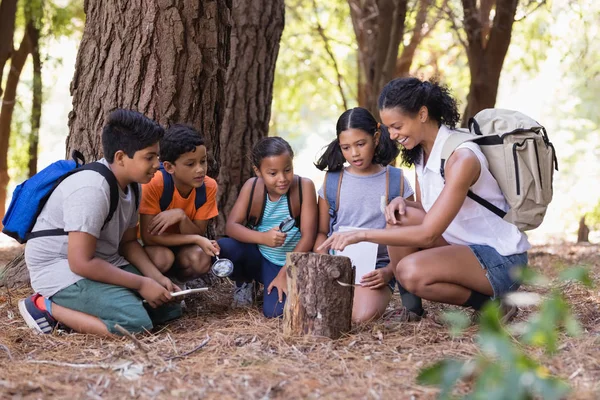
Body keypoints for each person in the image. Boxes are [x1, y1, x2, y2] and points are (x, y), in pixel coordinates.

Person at [318, 78, 529, 321]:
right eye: (388, 128)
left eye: (397, 126)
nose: (392, 135)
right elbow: (430, 209)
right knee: (399, 216)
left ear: (422, 114)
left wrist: (361, 234)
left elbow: (428, 233)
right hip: (465, 248)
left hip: (500, 260)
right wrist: (404, 204)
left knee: (409, 271)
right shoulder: (422, 153)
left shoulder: (462, 159)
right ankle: (412, 310)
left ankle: (491, 307)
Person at [19, 109, 182, 336]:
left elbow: (128, 244)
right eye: (149, 157)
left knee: (169, 307)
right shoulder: (92, 189)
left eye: (157, 156)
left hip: (101, 260)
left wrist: (157, 278)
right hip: (62, 269)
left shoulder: (133, 186)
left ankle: (99, 306)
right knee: (135, 324)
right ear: (121, 157)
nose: (158, 164)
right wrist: (142, 284)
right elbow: (80, 263)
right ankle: (44, 306)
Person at [313, 107, 418, 323]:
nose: (354, 153)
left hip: (378, 268)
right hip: (337, 263)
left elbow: (413, 235)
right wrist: (322, 256)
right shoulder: (332, 181)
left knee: (360, 317)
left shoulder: (395, 180)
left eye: (361, 144)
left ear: (376, 138)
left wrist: (389, 271)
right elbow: (323, 231)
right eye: (346, 147)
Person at [218, 137, 318, 318]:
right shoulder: (252, 187)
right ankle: (245, 282)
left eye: (287, 170)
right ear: (258, 171)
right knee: (225, 247)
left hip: (288, 261)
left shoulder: (305, 187)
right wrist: (263, 238)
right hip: (260, 257)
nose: (282, 179)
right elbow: (232, 226)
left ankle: (276, 282)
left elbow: (308, 237)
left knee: (275, 313)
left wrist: (285, 272)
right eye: (273, 173)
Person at [139, 124, 219, 281]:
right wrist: (195, 239)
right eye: (190, 164)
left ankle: (177, 284)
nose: (200, 170)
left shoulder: (208, 187)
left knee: (201, 258)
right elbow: (148, 237)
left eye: (203, 161)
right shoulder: (154, 183)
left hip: (180, 247)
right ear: (169, 167)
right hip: (148, 247)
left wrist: (181, 217)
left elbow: (198, 233)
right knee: (163, 258)